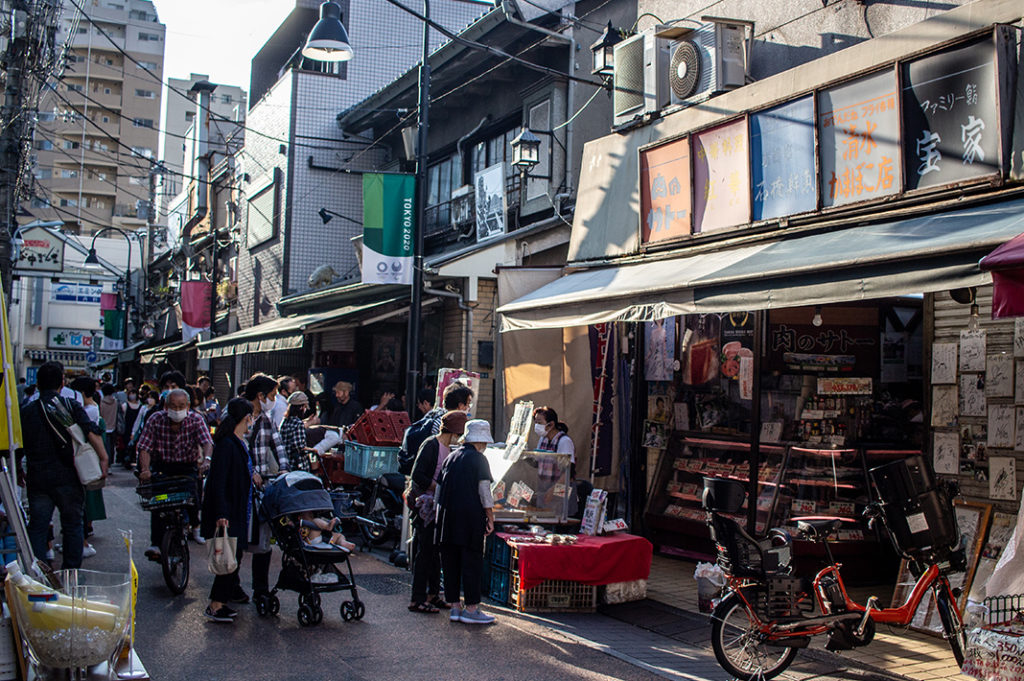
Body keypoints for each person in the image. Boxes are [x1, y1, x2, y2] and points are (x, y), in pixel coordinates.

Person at [19, 361, 108, 569]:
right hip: (69, 475)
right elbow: (91, 432)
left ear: (38, 384)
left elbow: (19, 444)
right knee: (72, 525)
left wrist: (18, 469)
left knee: (38, 526)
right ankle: (71, 575)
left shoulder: (28, 410)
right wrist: (103, 459)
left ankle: (39, 575)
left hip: (38, 476)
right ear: (62, 383)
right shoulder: (70, 405)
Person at [137, 388, 214, 557]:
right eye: (173, 406)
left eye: (181, 406)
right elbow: (145, 447)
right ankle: (156, 544)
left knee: (192, 499)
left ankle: (194, 525)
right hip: (162, 468)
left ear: (187, 406)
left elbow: (207, 442)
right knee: (159, 504)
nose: (177, 409)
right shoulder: (156, 419)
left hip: (187, 468)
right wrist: (145, 470)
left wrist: (206, 461)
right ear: (166, 406)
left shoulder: (195, 419)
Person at [435, 419, 496, 625]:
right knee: (471, 562)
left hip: (446, 518)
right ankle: (471, 609)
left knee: (450, 562)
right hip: (470, 518)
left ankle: (454, 607)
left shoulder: (451, 457)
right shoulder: (479, 460)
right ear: (482, 442)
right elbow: (484, 491)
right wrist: (490, 516)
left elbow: (438, 491)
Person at [201, 397, 256, 623]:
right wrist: (221, 513)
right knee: (228, 555)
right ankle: (216, 604)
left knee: (235, 553)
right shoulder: (227, 445)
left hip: (237, 508)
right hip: (228, 511)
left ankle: (226, 596)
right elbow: (218, 482)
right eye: (251, 416)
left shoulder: (236, 442)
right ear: (246, 418)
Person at [408, 410, 467, 614]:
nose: (459, 440)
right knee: (424, 552)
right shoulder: (431, 445)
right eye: (459, 436)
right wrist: (438, 487)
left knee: (435, 553)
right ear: (453, 433)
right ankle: (417, 598)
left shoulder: (451, 449)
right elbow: (417, 475)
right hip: (425, 506)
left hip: (439, 506)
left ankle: (433, 594)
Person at [243, 374, 290, 601]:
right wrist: (250, 471)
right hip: (242, 484)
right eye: (272, 395)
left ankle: (260, 589)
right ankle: (230, 585)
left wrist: (284, 469)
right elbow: (238, 445)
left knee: (263, 540)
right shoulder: (237, 414)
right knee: (239, 538)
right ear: (260, 395)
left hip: (263, 486)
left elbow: (277, 443)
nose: (274, 399)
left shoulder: (267, 417)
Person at [533, 406, 576, 479]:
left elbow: (567, 473)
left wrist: (552, 490)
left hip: (561, 488)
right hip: (545, 485)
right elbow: (537, 462)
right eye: (536, 422)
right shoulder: (543, 439)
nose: (537, 426)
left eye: (539, 423)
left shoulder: (564, 441)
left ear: (551, 424)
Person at [279, 391, 313, 472]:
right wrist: (313, 450)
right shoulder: (298, 423)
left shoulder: (285, 421)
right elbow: (299, 446)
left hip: (287, 463)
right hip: (297, 466)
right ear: (301, 407)